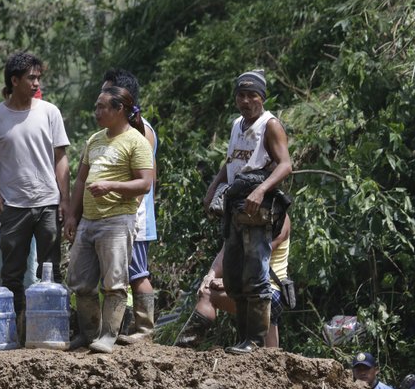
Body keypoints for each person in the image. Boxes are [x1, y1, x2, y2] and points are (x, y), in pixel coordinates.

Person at [0, 52, 69, 341]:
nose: (36, 83)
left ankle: (51, 328)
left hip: (47, 201)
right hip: (12, 204)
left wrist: (64, 198)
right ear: (14, 80)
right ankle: (16, 329)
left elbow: (60, 157)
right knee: (13, 272)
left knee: (50, 268)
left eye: (38, 77)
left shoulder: (49, 112)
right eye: (31, 77)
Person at [202, 69, 292, 354]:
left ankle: (255, 340)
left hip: (257, 205)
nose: (245, 100)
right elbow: (229, 161)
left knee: (255, 274)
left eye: (251, 94)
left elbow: (285, 164)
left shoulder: (270, 125)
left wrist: (262, 189)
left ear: (262, 97)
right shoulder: (236, 125)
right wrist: (214, 187)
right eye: (241, 94)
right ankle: (243, 338)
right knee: (233, 275)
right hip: (234, 202)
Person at [63, 86, 154, 353]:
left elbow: (146, 183)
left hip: (117, 220)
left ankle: (108, 336)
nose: (97, 112)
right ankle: (88, 333)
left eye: (102, 107)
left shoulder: (136, 141)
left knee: (114, 282)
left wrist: (111, 186)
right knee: (80, 280)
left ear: (120, 110)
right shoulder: (94, 140)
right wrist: (72, 215)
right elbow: (80, 179)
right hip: (88, 221)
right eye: (96, 106)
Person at [101, 69, 159, 345]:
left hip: (135, 216)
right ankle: (121, 328)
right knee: (120, 273)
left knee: (138, 273)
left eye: (107, 93)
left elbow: (145, 177)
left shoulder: (142, 130)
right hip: (116, 214)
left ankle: (145, 330)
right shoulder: (115, 130)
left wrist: (130, 212)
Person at [175, 215, 291, 349]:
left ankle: (183, 350)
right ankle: (271, 361)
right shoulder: (240, 214)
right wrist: (209, 277)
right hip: (259, 292)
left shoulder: (281, 218)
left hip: (269, 292)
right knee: (269, 357)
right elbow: (225, 252)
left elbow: (258, 258)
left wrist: (231, 282)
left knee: (208, 295)